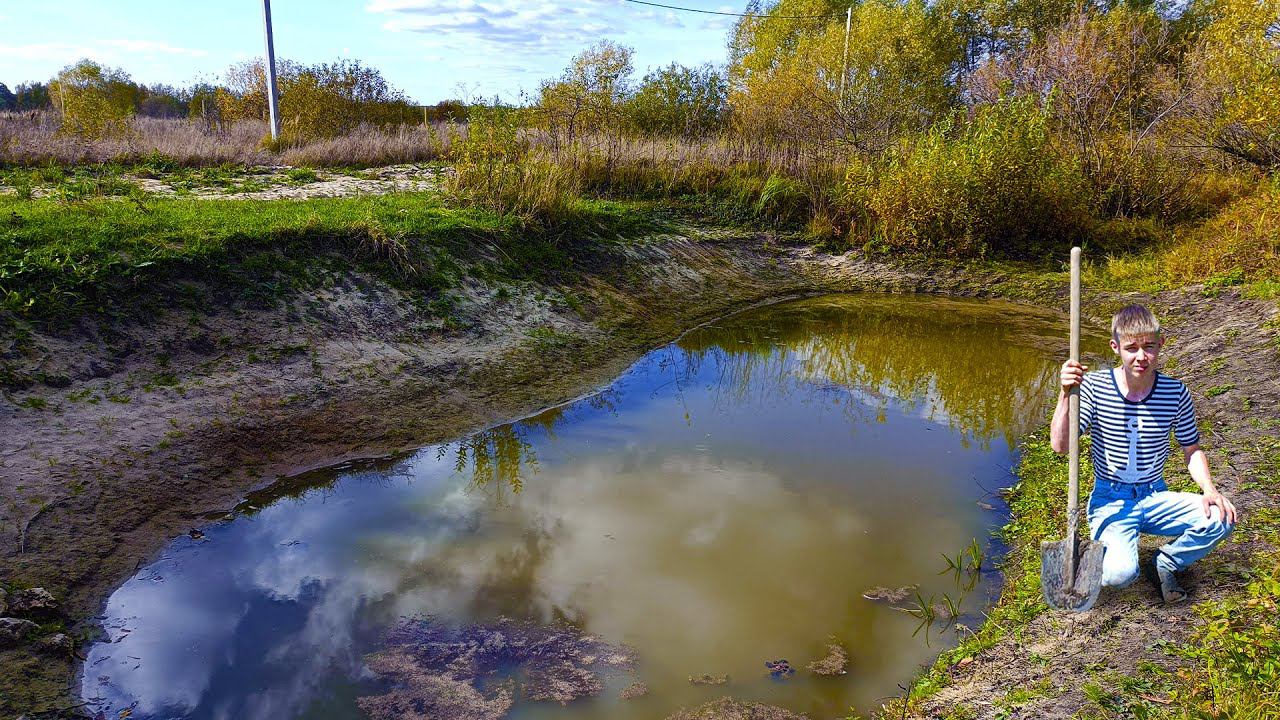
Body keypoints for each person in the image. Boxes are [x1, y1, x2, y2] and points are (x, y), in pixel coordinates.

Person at [1051, 304, 1237, 603]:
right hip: (1110, 500)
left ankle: (1165, 563)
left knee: (1221, 517)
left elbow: (1192, 450)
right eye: (1132, 348)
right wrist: (1065, 394)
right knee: (1119, 576)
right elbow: (1061, 446)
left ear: (1160, 344)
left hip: (1154, 495)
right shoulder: (1094, 387)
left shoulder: (1175, 392)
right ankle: (1106, 545)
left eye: (1149, 347)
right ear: (1116, 347)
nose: (1141, 357)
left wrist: (1210, 489)